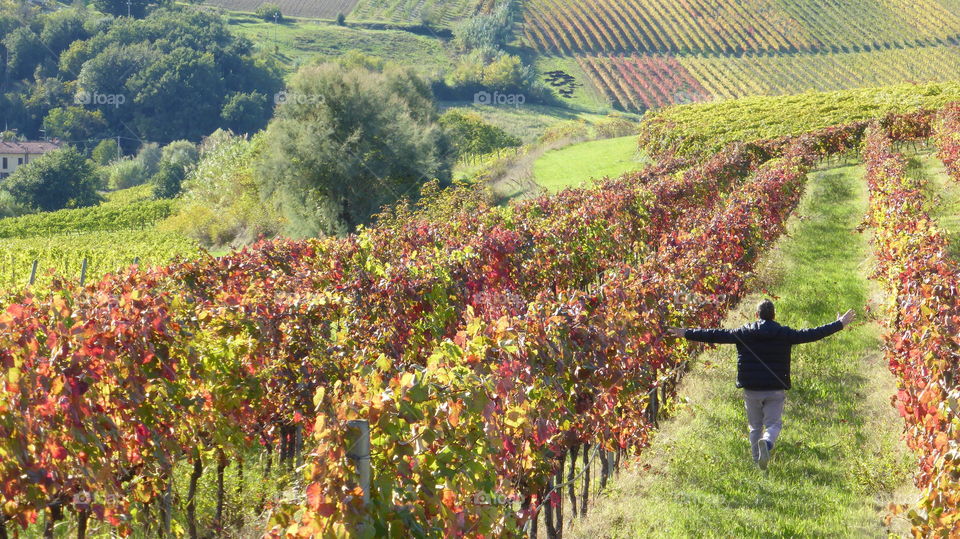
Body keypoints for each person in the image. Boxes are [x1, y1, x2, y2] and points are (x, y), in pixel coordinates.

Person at [667, 300, 856, 470]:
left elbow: (715, 335)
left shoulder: (743, 332)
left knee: (755, 427)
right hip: (775, 387)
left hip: (752, 389)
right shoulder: (784, 333)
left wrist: (686, 333)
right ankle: (767, 442)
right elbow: (812, 334)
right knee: (773, 424)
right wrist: (838, 324)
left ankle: (757, 462)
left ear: (756, 315)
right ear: (774, 315)